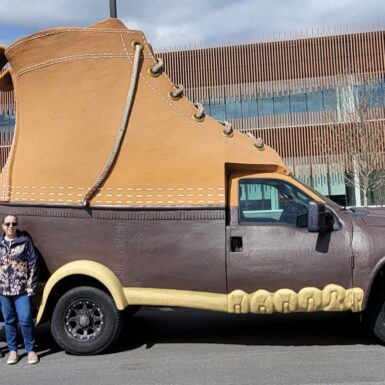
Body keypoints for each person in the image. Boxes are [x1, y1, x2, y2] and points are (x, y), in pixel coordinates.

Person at [0, 215, 39, 364]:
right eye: (7, 223)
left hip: (22, 289)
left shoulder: (25, 241)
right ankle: (12, 351)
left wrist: (31, 286)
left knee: (25, 319)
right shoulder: (0, 243)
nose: (10, 226)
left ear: (16, 226)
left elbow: (33, 264)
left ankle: (30, 351)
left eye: (13, 223)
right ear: (3, 226)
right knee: (9, 321)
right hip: (3, 290)